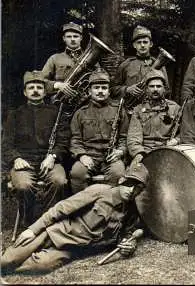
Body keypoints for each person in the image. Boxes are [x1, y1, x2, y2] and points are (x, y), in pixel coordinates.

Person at [1, 164, 148, 274]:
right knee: (7, 260)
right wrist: (33, 230)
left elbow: (128, 234)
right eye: (129, 184)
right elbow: (61, 208)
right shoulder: (100, 191)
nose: (131, 190)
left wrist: (129, 244)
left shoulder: (131, 211)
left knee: (39, 266)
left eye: (137, 188)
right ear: (121, 180)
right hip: (53, 233)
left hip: (72, 249)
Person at [2, 71, 70, 225]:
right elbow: (6, 144)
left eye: (39, 87)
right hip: (24, 162)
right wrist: (16, 158)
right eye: (31, 87)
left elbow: (63, 140)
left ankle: (50, 222)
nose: (35, 90)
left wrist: (52, 156)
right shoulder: (15, 115)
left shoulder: (55, 112)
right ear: (25, 92)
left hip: (49, 160)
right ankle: (29, 223)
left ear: (45, 92)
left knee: (59, 181)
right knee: (24, 185)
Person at [69, 68, 128, 193]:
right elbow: (75, 139)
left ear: (109, 91)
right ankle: (82, 210)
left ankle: (109, 210)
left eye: (104, 88)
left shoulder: (119, 110)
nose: (100, 91)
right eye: (96, 88)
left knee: (118, 174)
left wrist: (120, 151)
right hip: (89, 155)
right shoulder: (80, 113)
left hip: (112, 157)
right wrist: (82, 155)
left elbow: (124, 137)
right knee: (77, 174)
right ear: (90, 91)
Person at [127, 69, 181, 166]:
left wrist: (176, 140)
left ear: (164, 88)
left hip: (168, 151)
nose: (155, 89)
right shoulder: (138, 110)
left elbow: (184, 133)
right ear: (146, 89)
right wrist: (138, 153)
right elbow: (134, 137)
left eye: (159, 86)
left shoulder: (175, 108)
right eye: (151, 86)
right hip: (145, 152)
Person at [110, 25, 170, 110]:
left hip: (153, 111)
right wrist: (127, 89)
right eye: (139, 42)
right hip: (129, 112)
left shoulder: (160, 65)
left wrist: (154, 92)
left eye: (145, 42)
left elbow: (167, 90)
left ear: (151, 44)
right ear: (134, 45)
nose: (142, 45)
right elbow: (112, 89)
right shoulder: (126, 64)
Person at [41, 22, 84, 99]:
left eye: (75, 36)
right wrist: (57, 85)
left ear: (81, 38)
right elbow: (41, 81)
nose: (72, 39)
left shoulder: (91, 58)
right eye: (69, 36)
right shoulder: (54, 58)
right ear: (64, 38)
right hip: (61, 102)